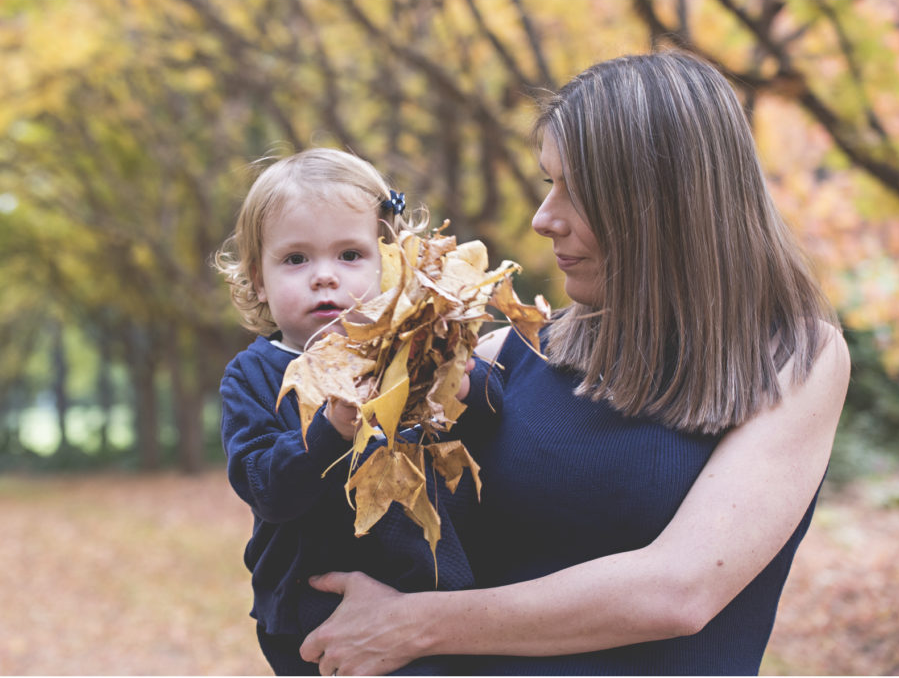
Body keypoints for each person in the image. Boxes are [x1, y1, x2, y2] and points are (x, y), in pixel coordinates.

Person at [299, 51, 851, 675]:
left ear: (668, 204)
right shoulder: (501, 357)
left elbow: (679, 590)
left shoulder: (793, 357)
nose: (543, 219)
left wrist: (414, 626)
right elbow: (353, 514)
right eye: (547, 183)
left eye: (577, 191)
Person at [213, 148, 499, 675]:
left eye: (350, 255)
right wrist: (328, 430)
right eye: (295, 259)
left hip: (436, 588)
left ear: (391, 260)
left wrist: (468, 388)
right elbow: (263, 486)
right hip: (314, 609)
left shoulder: (417, 349)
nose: (325, 277)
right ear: (258, 279)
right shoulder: (252, 376)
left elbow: (489, 428)